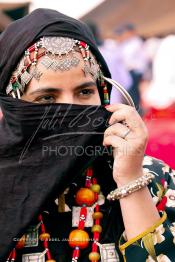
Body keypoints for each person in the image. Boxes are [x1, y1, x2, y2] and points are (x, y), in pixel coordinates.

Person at [0, 9, 174, 262]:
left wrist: (129, 181)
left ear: (103, 93)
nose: (72, 110)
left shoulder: (153, 177)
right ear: (14, 104)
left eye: (84, 92)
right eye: (47, 98)